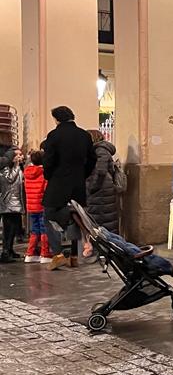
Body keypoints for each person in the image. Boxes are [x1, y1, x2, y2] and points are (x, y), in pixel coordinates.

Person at [41, 106, 96, 270]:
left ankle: (58, 254)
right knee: (76, 217)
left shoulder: (54, 135)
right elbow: (92, 159)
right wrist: (82, 175)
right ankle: (73, 256)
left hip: (58, 182)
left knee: (49, 215)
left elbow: (48, 161)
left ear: (57, 119)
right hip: (77, 183)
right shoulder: (84, 135)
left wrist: (50, 175)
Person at [85, 129, 120, 241]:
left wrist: (92, 187)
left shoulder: (100, 150)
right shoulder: (100, 150)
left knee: (103, 218)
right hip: (103, 187)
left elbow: (101, 171)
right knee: (104, 218)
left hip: (101, 189)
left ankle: (108, 244)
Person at [23, 150, 52, 263]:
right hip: (41, 205)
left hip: (31, 205)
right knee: (44, 229)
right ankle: (45, 254)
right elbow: (46, 189)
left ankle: (30, 253)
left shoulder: (27, 172)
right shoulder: (44, 172)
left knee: (35, 230)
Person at [0, 147, 25, 263]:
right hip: (8, 204)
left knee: (13, 229)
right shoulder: (5, 168)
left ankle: (10, 250)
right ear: (12, 157)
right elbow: (9, 179)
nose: (21, 157)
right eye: (18, 155)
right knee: (8, 230)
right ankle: (5, 252)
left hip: (15, 203)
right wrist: (16, 166)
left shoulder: (18, 168)